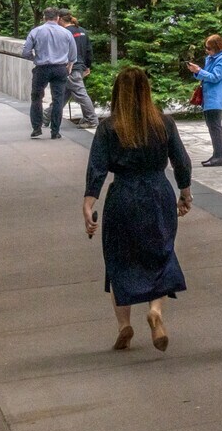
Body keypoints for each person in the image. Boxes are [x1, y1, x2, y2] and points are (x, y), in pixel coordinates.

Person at [81, 66, 192, 352]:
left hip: (123, 195)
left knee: (119, 258)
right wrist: (185, 192)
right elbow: (181, 160)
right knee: (161, 252)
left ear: (117, 93)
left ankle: (124, 325)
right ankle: (155, 312)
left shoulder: (108, 127)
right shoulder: (163, 123)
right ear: (147, 92)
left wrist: (89, 202)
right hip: (158, 193)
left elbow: (97, 167)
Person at [24, 7, 79, 139]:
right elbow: (73, 55)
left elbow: (25, 52)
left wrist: (35, 59)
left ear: (44, 17)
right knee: (58, 99)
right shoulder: (66, 33)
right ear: (58, 18)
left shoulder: (36, 31)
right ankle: (55, 131)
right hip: (60, 68)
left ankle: (37, 128)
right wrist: (69, 66)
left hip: (42, 68)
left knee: (36, 97)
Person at [186, 34, 222, 166]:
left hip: (217, 96)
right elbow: (206, 76)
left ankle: (220, 157)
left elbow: (215, 77)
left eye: (209, 48)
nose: (207, 51)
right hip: (209, 96)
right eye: (206, 48)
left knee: (215, 127)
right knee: (212, 127)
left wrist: (199, 70)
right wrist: (196, 71)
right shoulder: (212, 58)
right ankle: (216, 155)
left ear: (217, 47)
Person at [62, 13, 99, 127]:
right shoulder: (82, 31)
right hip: (80, 66)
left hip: (71, 67)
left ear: (61, 19)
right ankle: (46, 117)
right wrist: (87, 66)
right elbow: (89, 50)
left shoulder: (64, 32)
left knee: (80, 93)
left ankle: (92, 120)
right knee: (64, 93)